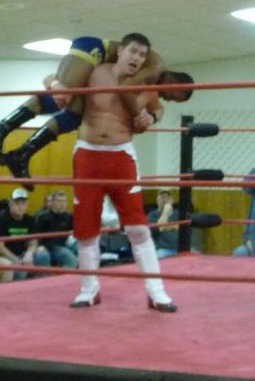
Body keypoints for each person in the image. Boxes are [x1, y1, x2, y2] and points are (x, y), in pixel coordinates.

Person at [0, 33, 193, 188]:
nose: (168, 99)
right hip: (93, 49)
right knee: (63, 96)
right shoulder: (155, 71)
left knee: (75, 114)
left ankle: (23, 154)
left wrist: (152, 117)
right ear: (175, 84)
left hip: (98, 63)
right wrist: (138, 114)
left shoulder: (153, 81)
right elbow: (125, 89)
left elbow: (157, 108)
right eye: (173, 96)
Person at [69, 37, 177, 312]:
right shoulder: (96, 73)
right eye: (133, 51)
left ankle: (157, 293)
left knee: (138, 227)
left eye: (142, 54)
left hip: (122, 157)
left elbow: (158, 109)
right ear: (120, 51)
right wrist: (52, 82)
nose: (137, 58)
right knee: (86, 230)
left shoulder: (145, 84)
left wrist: (152, 118)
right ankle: (88, 290)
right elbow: (65, 85)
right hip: (87, 155)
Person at [0, 188, 50, 279]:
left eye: (23, 204)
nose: (20, 207)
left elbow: (33, 242)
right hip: (6, 256)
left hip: (22, 253)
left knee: (43, 255)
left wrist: (29, 254)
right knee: (21, 271)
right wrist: (18, 261)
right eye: (17, 203)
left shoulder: (30, 219)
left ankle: (41, 283)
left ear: (27, 205)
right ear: (10, 204)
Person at [34, 190, 77, 268]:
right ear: (53, 202)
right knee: (72, 260)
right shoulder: (43, 217)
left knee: (82, 248)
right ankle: (61, 276)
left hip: (65, 244)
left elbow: (76, 231)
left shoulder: (69, 216)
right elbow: (38, 236)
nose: (62, 204)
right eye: (59, 201)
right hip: (50, 247)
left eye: (64, 201)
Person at [147, 189, 180, 260]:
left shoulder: (178, 214)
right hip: (162, 249)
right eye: (162, 197)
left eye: (167, 197)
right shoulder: (152, 215)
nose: (165, 200)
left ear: (171, 200)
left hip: (180, 249)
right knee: (155, 258)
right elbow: (159, 228)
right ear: (157, 200)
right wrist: (165, 212)